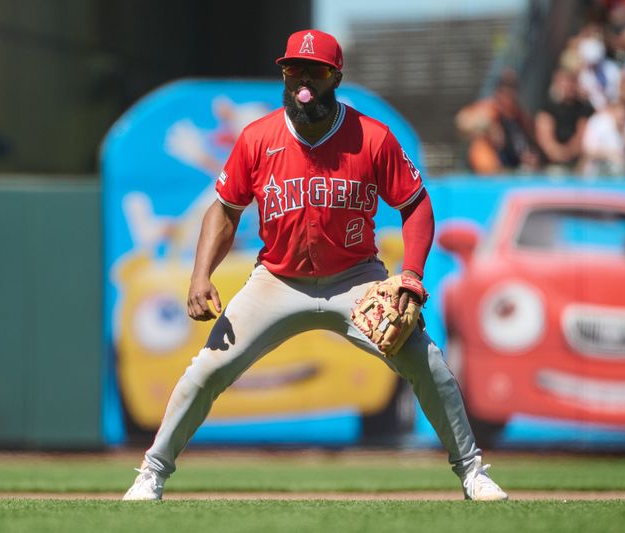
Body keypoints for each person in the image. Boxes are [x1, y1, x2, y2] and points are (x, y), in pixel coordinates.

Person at [122, 29, 508, 502]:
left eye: (315, 71)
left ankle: (472, 472)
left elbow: (416, 204)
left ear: (336, 77)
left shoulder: (371, 137)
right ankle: (151, 474)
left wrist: (410, 274)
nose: (303, 80)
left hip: (356, 279)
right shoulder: (258, 138)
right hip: (278, 280)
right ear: (284, 74)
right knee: (206, 371)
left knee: (429, 365)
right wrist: (200, 275)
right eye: (293, 69)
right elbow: (224, 209)